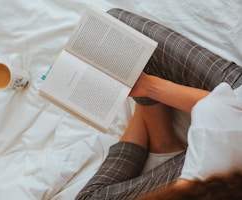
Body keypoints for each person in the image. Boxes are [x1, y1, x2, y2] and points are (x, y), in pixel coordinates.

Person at [75, 8, 242, 200]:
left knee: (113, 39)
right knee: (114, 32)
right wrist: (148, 87)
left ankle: (163, 143)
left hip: (214, 166)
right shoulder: (212, 155)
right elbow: (224, 108)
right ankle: (163, 141)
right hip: (231, 123)